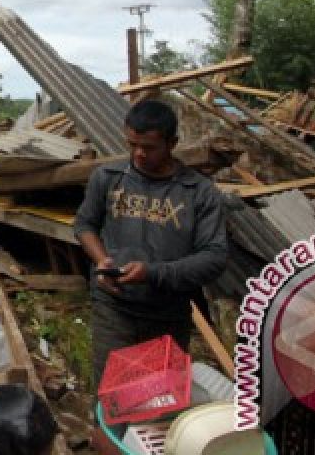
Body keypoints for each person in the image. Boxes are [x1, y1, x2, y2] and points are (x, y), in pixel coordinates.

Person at [74, 98, 228, 386]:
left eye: (149, 147)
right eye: (132, 145)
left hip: (168, 313)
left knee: (159, 397)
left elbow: (215, 256)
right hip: (114, 308)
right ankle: (107, 432)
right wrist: (101, 260)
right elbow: (85, 224)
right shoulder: (108, 178)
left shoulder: (198, 192)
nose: (138, 154)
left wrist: (153, 273)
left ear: (173, 143)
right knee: (111, 396)